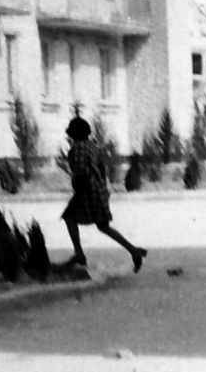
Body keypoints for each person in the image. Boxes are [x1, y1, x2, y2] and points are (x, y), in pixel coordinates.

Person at [62, 114, 146, 274]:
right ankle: (133, 250)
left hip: (87, 191)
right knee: (102, 225)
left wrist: (77, 184)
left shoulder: (78, 148)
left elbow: (81, 171)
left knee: (70, 217)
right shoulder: (92, 146)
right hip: (98, 189)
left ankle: (80, 255)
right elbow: (100, 168)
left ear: (74, 133)